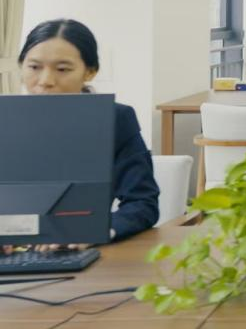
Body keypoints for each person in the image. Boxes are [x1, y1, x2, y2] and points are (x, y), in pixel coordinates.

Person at [3, 19, 159, 253]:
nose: (45, 81)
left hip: (75, 253)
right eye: (34, 67)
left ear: (90, 72)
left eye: (62, 69)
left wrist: (97, 232)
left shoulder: (115, 119)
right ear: (21, 66)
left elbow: (142, 203)